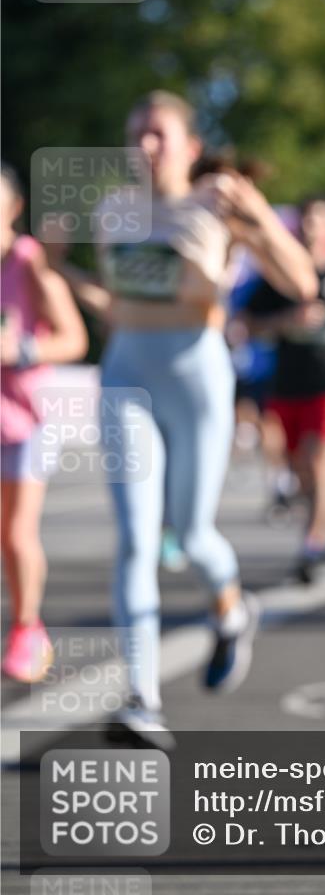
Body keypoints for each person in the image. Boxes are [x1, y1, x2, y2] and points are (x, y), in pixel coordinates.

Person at [50, 91, 317, 746]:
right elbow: (118, 305)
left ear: (190, 147)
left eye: (159, 135)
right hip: (127, 378)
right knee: (137, 541)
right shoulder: (112, 210)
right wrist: (63, 271)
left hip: (197, 379)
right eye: (135, 134)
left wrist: (259, 217)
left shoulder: (217, 206)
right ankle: (141, 699)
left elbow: (303, 285)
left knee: (193, 534)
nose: (145, 146)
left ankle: (232, 610)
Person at [245, 197, 325, 583]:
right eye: (305, 220)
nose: (311, 227)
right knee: (299, 468)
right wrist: (287, 320)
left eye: (319, 220)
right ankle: (318, 530)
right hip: (287, 383)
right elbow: (248, 322)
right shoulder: (280, 272)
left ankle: (313, 545)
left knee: (319, 460)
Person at [1, 163, 88, 682]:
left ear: (13, 208)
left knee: (16, 532)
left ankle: (27, 629)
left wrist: (21, 349)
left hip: (28, 418)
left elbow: (74, 338)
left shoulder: (28, 261)